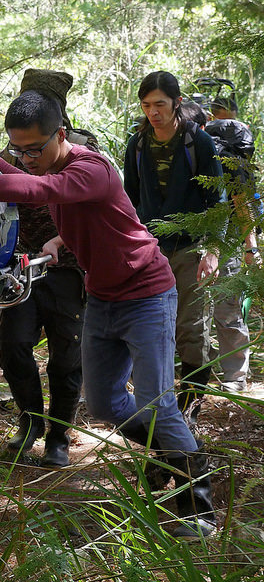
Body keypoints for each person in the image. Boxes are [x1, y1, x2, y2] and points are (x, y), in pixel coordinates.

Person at [0, 90, 216, 538]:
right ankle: (180, 451)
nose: (26, 158)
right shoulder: (45, 164)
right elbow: (32, 184)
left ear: (61, 133)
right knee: (105, 403)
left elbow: (43, 189)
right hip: (102, 298)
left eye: (34, 149)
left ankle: (198, 506)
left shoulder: (91, 167)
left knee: (157, 401)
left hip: (147, 295)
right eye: (17, 150)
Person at [0, 69, 85, 468]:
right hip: (23, 264)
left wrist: (61, 241)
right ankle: (29, 419)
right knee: (12, 343)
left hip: (67, 264)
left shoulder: (81, 149)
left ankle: (59, 435)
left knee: (67, 354)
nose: (26, 156)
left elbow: (90, 208)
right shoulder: (17, 147)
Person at [123, 72, 223, 425]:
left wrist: (212, 250)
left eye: (160, 105)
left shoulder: (200, 144)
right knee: (152, 328)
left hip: (191, 248)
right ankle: (159, 406)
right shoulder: (136, 145)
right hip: (150, 250)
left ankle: (190, 408)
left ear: (176, 103)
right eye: (147, 105)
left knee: (191, 329)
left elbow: (217, 200)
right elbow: (129, 202)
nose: (153, 112)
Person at [204, 98, 259, 392]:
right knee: (228, 312)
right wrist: (252, 248)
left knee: (203, 312)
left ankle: (227, 373)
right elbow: (243, 204)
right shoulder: (233, 162)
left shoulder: (199, 152)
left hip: (197, 243)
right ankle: (234, 376)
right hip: (224, 246)